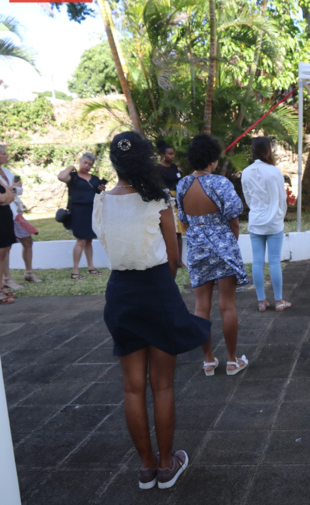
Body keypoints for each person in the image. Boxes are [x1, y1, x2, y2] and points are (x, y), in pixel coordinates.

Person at [93, 131, 210, 489]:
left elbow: (106, 242)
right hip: (156, 288)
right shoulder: (158, 200)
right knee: (162, 386)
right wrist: (161, 285)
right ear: (147, 160)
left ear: (114, 163)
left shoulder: (101, 201)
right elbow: (174, 258)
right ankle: (165, 464)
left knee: (132, 388)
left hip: (121, 293)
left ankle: (146, 468)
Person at [177, 134, 249, 377]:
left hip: (197, 249)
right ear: (212, 159)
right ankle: (231, 360)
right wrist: (230, 245)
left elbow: (184, 222)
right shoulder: (221, 183)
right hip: (223, 247)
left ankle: (208, 360)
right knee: (227, 305)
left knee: (201, 307)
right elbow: (234, 222)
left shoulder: (182, 185)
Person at [241, 137, 292, 312]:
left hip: (256, 221)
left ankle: (261, 302)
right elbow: (282, 198)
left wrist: (256, 211)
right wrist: (279, 215)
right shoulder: (274, 171)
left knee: (257, 262)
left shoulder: (246, 172)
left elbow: (247, 198)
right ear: (268, 150)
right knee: (275, 261)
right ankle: (279, 301)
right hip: (274, 222)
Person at [58, 153, 106, 279]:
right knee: (81, 240)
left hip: (91, 211)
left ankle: (91, 267)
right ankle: (75, 271)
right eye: (85, 162)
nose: (87, 166)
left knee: (89, 240)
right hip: (78, 211)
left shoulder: (95, 179)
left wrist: (102, 189)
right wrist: (70, 167)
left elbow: (100, 195)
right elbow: (61, 177)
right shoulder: (73, 177)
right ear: (80, 162)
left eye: (90, 164)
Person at [1, 144, 42, 288]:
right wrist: (12, 189)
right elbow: (9, 192)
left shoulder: (6, 171)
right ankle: (7, 278)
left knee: (28, 240)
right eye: (4, 154)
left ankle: (29, 272)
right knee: (5, 246)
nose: (7, 156)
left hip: (15, 211)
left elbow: (19, 189)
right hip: (4, 212)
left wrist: (12, 189)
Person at [156, 140, 186, 268]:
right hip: (166, 201)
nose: (172, 156)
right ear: (162, 155)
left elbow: (180, 182)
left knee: (178, 232)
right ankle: (168, 260)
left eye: (173, 154)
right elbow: (159, 185)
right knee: (168, 232)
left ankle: (179, 261)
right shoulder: (158, 169)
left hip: (177, 201)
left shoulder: (174, 168)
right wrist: (169, 196)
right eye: (169, 154)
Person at [0, 173, 15, 304]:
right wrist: (6, 196)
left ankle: (1, 286)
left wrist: (6, 196)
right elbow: (3, 199)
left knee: (4, 251)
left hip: (4, 216)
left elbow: (10, 197)